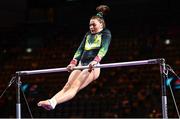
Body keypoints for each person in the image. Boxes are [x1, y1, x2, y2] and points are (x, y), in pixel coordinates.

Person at [37, 5, 111, 110]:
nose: (91, 27)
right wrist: (73, 62)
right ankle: (51, 101)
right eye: (90, 25)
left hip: (93, 66)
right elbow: (80, 49)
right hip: (81, 64)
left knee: (75, 86)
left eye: (93, 25)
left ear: (101, 24)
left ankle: (53, 102)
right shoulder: (88, 35)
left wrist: (95, 61)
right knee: (67, 86)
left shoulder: (106, 33)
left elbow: (104, 48)